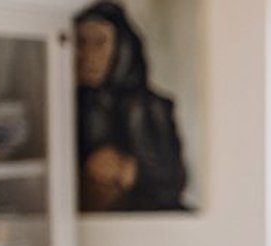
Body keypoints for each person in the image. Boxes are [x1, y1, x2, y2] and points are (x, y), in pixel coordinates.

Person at [73, 1, 188, 211]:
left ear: (121, 49)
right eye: (80, 42)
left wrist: (129, 169)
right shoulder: (68, 104)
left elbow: (174, 179)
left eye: (99, 43)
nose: (87, 55)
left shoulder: (150, 106)